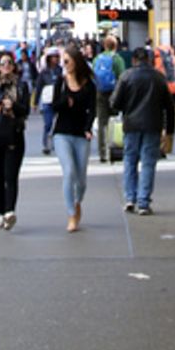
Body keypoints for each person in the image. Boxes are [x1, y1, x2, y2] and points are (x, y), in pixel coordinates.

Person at [109, 45, 175, 215]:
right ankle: (143, 202)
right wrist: (169, 130)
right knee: (148, 163)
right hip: (153, 125)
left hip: (131, 125)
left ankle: (130, 198)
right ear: (148, 60)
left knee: (129, 160)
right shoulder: (159, 78)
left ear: (133, 60)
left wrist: (126, 107)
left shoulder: (126, 76)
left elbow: (114, 103)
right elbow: (170, 107)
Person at [52, 43, 97, 231]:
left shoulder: (89, 85)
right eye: (63, 62)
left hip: (81, 134)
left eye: (67, 61)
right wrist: (65, 102)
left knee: (81, 180)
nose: (65, 65)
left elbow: (92, 110)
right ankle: (71, 213)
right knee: (69, 171)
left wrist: (88, 128)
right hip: (62, 133)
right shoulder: (60, 82)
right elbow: (54, 106)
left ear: (76, 62)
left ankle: (78, 202)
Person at [0, 49, 30, 230]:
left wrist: (14, 105)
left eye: (9, 62)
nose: (7, 66)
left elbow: (25, 110)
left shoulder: (21, 86)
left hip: (14, 134)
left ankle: (10, 211)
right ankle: (1, 212)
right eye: (3, 63)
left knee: (11, 175)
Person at [92, 34, 126, 162]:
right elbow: (122, 77)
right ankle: (115, 149)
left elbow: (93, 76)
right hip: (115, 93)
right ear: (115, 46)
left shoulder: (97, 59)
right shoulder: (118, 59)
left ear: (104, 45)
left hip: (100, 93)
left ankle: (103, 153)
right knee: (117, 120)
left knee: (102, 122)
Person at [37, 48, 63, 155]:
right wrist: (35, 102)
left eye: (57, 57)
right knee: (48, 123)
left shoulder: (61, 71)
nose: (55, 59)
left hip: (59, 100)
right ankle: (46, 145)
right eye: (53, 57)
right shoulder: (44, 72)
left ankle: (56, 144)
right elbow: (38, 87)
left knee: (58, 124)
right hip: (47, 100)